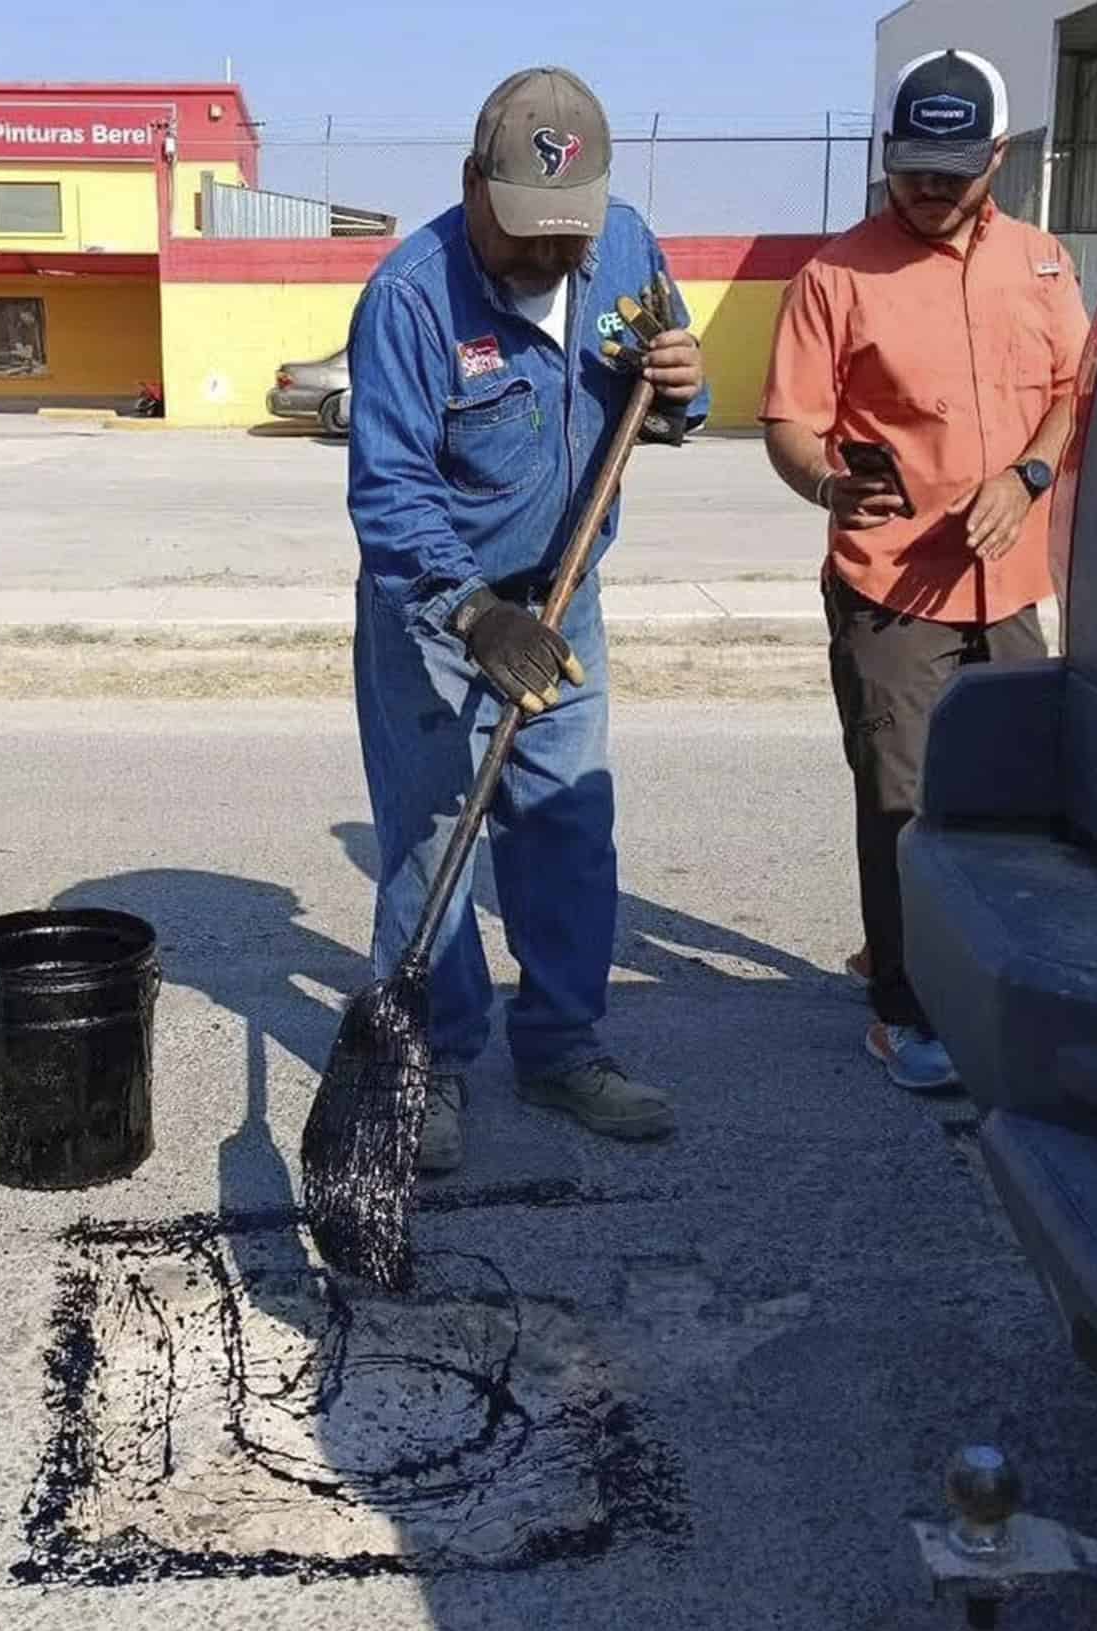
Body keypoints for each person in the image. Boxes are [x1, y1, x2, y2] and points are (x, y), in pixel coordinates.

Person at [344, 65, 707, 1174]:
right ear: (472, 187)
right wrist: (472, 613)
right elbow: (389, 491)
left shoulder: (629, 247)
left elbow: (670, 383)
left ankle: (558, 1048)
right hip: (437, 608)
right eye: (525, 236)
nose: (550, 259)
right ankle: (435, 1062)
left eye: (568, 238)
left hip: (568, 592)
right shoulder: (410, 298)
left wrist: (684, 388)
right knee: (433, 837)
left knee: (563, 821)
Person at [758, 48, 1088, 1094]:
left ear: (997, 156)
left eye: (951, 169)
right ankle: (903, 1006)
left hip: (1010, 580)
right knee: (901, 802)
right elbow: (789, 422)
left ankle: (976, 964)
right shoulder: (834, 276)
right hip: (889, 589)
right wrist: (824, 485)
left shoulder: (1042, 263)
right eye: (910, 169)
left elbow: (1073, 389)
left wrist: (1028, 474)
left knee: (1011, 796)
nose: (928, 190)